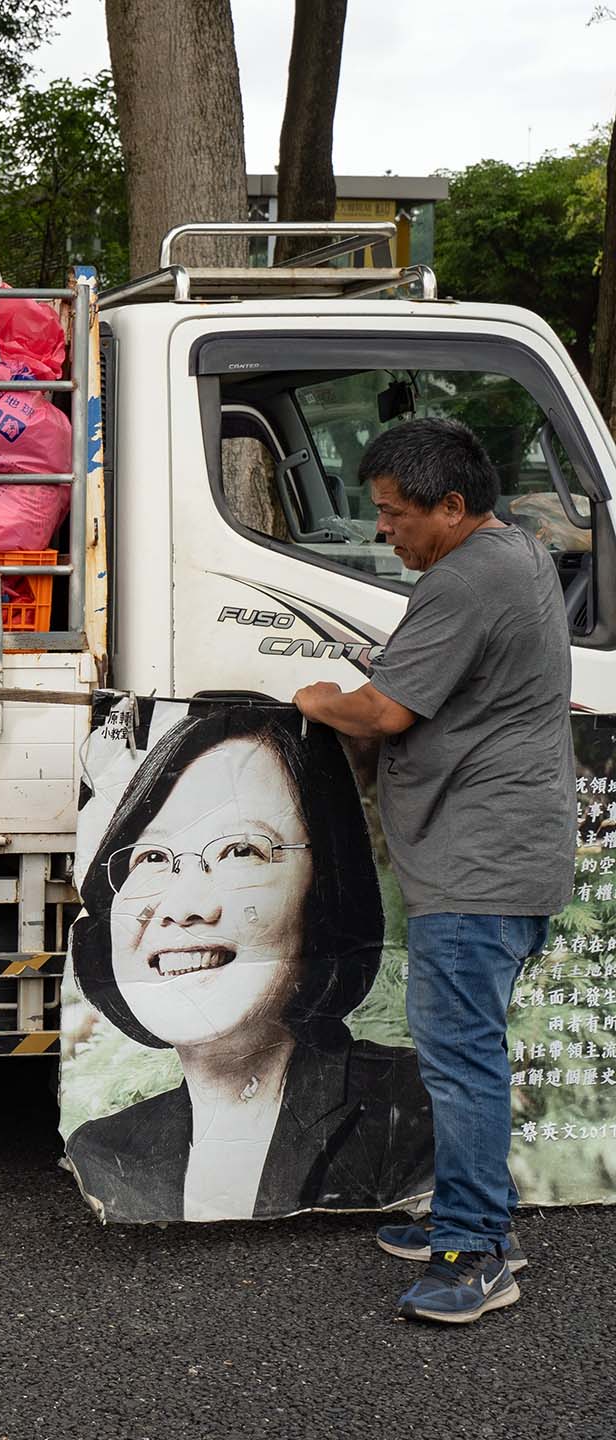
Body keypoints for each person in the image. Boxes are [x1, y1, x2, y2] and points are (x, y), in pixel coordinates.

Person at [295, 417, 574, 1325]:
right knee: (468, 1055)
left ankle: (471, 1253)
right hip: (504, 852)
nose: (385, 531)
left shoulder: (463, 580)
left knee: (461, 1065)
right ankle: (481, 1216)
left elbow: (384, 712)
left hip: (480, 864)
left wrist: (315, 698)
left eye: (395, 514)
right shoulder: (515, 552)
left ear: (452, 508)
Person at [66, 705, 432, 1223]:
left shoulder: (415, 1110)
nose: (181, 905)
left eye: (241, 851)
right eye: (151, 858)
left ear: (326, 887)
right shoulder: (105, 1149)